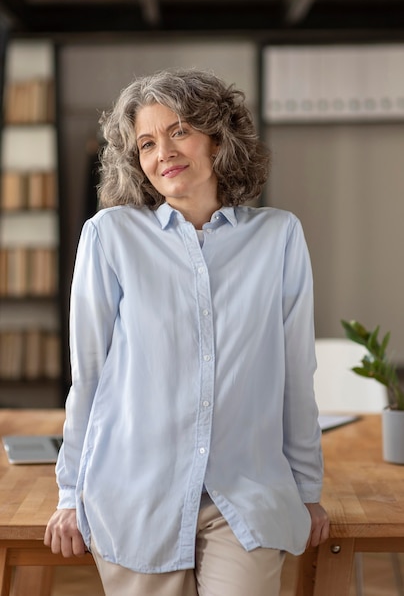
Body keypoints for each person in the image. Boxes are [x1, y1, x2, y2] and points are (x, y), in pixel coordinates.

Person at [44, 68, 329, 596]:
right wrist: (69, 492)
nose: (163, 153)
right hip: (135, 493)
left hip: (245, 492)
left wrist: (307, 488)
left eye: (179, 132)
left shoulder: (279, 237)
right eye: (146, 143)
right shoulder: (109, 237)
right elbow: (90, 375)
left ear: (218, 138)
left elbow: (296, 373)